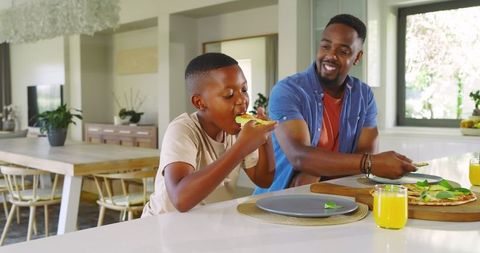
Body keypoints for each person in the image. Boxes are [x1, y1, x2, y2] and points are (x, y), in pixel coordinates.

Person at [254, 14, 416, 194]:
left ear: (357, 57)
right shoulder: (288, 91)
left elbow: (366, 153)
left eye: (343, 51)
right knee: (308, 174)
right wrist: (369, 164)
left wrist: (317, 171)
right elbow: (299, 156)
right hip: (277, 198)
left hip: (335, 196)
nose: (330, 55)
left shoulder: (364, 95)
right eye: (325, 46)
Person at [142, 53, 276, 215]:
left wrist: (264, 138)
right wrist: (241, 147)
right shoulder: (183, 130)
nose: (242, 100)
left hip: (203, 225)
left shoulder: (238, 131)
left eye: (244, 89)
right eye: (229, 95)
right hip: (161, 225)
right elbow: (180, 199)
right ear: (200, 102)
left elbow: (264, 180)